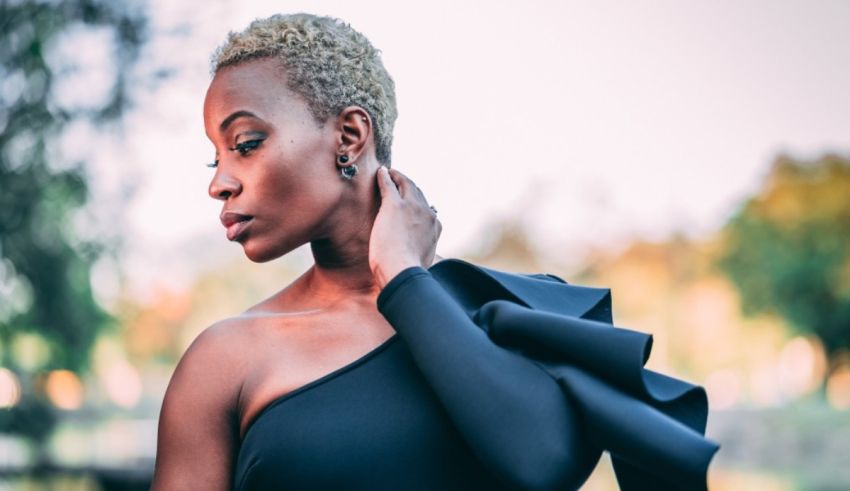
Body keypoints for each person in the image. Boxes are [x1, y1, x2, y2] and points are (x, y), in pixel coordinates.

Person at [151, 13, 717, 491]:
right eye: (216, 157)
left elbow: (541, 464)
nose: (220, 182)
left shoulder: (502, 314)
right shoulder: (221, 361)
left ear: (349, 137)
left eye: (246, 144)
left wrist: (402, 277)